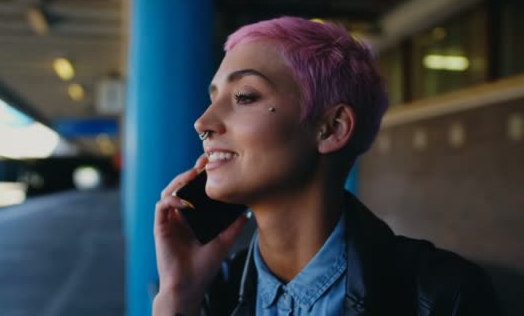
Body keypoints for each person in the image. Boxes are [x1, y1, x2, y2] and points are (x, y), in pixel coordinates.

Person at [153, 16, 502, 316]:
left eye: (244, 96)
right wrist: (178, 297)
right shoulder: (211, 292)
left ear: (332, 128)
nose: (202, 123)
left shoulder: (446, 296)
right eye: (213, 98)